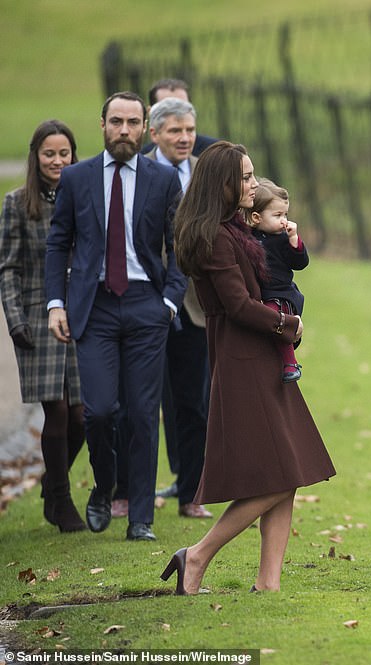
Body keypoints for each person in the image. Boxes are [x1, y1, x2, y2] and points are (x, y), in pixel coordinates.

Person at [160, 141, 335, 594]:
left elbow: (280, 267)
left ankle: (268, 583)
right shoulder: (214, 237)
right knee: (283, 471)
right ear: (223, 184)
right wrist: (286, 323)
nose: (254, 184)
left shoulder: (235, 227)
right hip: (243, 357)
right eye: (246, 177)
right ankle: (196, 556)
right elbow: (237, 305)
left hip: (264, 352)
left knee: (288, 470)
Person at [45, 91, 187, 541]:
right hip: (95, 308)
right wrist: (55, 303)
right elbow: (58, 243)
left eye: (132, 123)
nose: (123, 130)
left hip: (147, 304)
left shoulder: (163, 180)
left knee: (144, 414)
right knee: (100, 411)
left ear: (145, 128)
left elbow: (179, 245)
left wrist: (169, 300)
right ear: (102, 125)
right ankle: (104, 487)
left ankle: (142, 517)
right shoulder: (77, 178)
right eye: (115, 122)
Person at [112, 96, 212, 520]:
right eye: (175, 131)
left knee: (194, 402)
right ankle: (127, 493)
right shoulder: (139, 174)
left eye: (189, 130)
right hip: (145, 301)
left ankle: (192, 494)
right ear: (154, 134)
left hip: (194, 305)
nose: (185, 138)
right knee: (135, 402)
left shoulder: (206, 175)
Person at [0, 120, 85, 533]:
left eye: (63, 153)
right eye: (48, 153)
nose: (56, 160)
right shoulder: (16, 203)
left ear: (73, 155)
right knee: (57, 410)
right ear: (36, 156)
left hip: (81, 316)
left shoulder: (83, 198)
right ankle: (62, 501)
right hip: (35, 317)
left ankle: (52, 483)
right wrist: (15, 321)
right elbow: (8, 268)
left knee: (84, 415)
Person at [246, 177, 308, 382]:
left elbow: (300, 263)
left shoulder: (283, 239)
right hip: (261, 291)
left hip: (280, 293)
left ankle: (290, 362)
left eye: (286, 214)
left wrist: (294, 241)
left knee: (276, 319)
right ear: (256, 217)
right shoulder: (248, 237)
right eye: (278, 215)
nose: (284, 220)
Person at [142, 78, 217, 158]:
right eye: (167, 107)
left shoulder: (215, 153)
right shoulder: (139, 160)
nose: (178, 112)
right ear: (151, 112)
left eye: (183, 107)